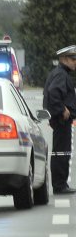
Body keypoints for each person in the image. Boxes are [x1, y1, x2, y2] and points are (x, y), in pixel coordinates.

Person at [43, 45, 76, 194]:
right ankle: (59, 185)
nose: (75, 62)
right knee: (62, 152)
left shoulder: (60, 73)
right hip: (61, 121)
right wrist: (63, 110)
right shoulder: (61, 75)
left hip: (59, 121)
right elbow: (53, 92)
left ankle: (60, 184)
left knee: (61, 151)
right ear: (63, 59)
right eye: (73, 59)